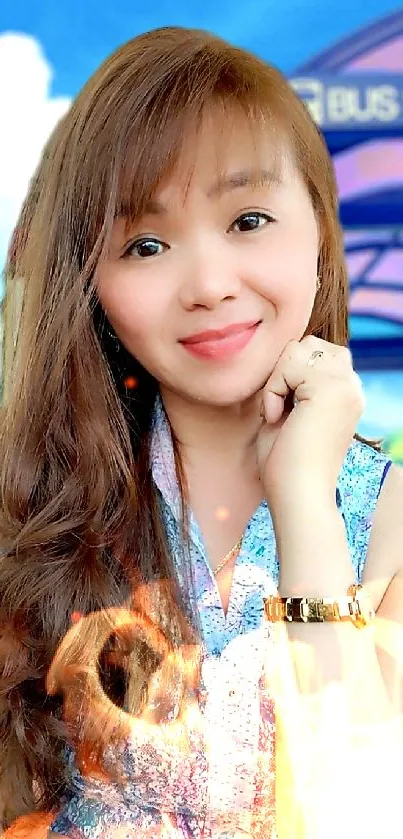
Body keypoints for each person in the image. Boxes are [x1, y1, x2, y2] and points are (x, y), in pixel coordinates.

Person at [1, 25, 402, 839]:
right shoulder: (37, 510)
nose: (211, 284)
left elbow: (355, 808)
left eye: (249, 219)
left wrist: (304, 503)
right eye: (146, 244)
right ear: (96, 291)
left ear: (322, 240)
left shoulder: (391, 514)